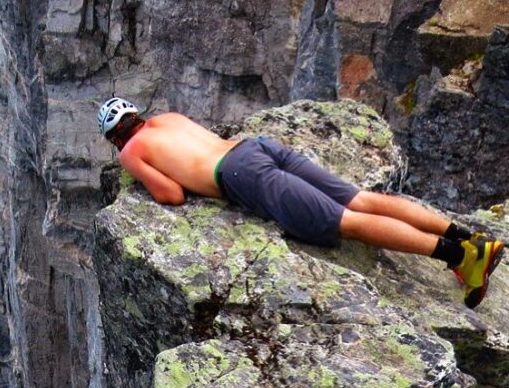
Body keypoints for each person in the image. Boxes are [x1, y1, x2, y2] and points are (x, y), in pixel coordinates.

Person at [97, 97, 505, 309]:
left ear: (116, 135)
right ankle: (469, 238)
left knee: (347, 222)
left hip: (242, 176)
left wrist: (139, 174)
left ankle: (458, 257)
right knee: (363, 199)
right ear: (137, 114)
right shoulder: (168, 118)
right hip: (257, 148)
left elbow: (171, 194)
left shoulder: (131, 151)